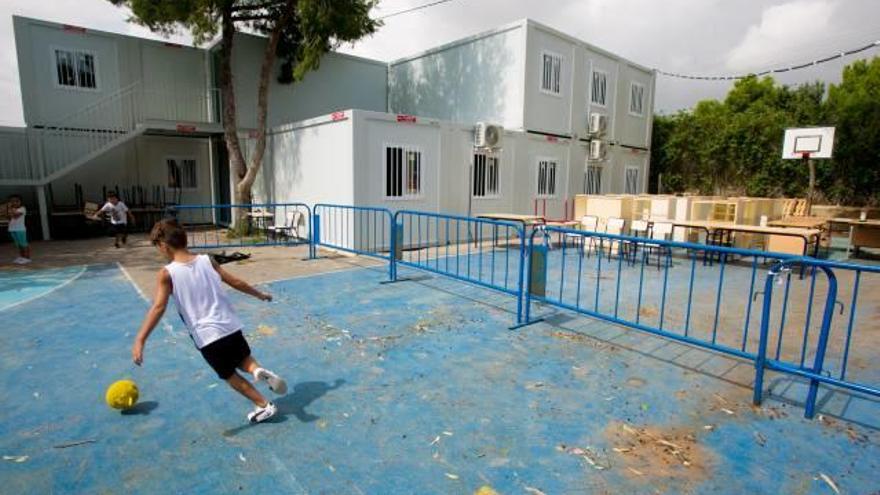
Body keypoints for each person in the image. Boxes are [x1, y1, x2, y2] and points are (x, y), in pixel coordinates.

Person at [131, 219, 286, 423]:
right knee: (243, 358)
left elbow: (159, 307)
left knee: (229, 375)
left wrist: (140, 339)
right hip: (230, 325)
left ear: (163, 245)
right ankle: (257, 370)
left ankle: (264, 405)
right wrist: (260, 295)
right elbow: (236, 282)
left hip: (207, 336)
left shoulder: (167, 273)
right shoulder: (207, 260)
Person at [6, 194, 31, 264]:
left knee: (24, 244)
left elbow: (15, 216)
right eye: (12, 201)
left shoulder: (22, 208)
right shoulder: (11, 209)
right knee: (18, 245)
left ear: (20, 201)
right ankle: (22, 257)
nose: (14, 203)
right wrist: (10, 211)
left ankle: (27, 258)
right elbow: (9, 217)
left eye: (16, 201)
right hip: (12, 229)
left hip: (20, 229)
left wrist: (11, 210)